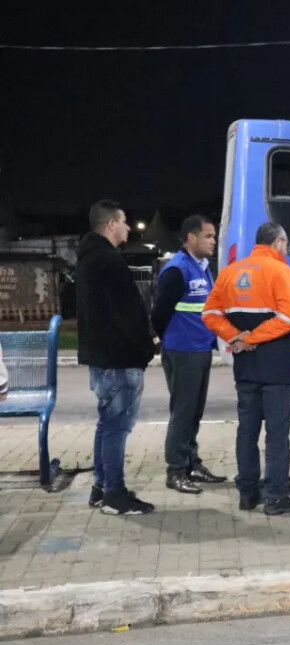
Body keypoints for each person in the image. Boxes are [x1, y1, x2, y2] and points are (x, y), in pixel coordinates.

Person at [202, 222, 290, 516]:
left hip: (245, 366)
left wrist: (236, 336)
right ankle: (275, 497)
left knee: (247, 430)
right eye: (285, 243)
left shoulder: (230, 272)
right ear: (279, 242)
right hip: (277, 366)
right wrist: (251, 337)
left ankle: (247, 494)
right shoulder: (280, 271)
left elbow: (209, 313)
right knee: (276, 433)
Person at [76, 199, 156, 515]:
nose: (127, 228)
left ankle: (101, 487)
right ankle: (114, 494)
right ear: (111, 224)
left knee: (106, 424)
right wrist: (145, 347)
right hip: (119, 359)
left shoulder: (88, 259)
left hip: (101, 357)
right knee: (116, 428)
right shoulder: (108, 261)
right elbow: (126, 314)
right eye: (123, 222)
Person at [150, 214, 225, 495]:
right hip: (182, 350)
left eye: (214, 236)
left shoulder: (202, 267)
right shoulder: (177, 269)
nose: (213, 241)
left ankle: (192, 464)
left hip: (200, 347)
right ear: (191, 238)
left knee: (194, 412)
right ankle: (176, 471)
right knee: (183, 412)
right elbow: (159, 313)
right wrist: (164, 341)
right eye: (208, 236)